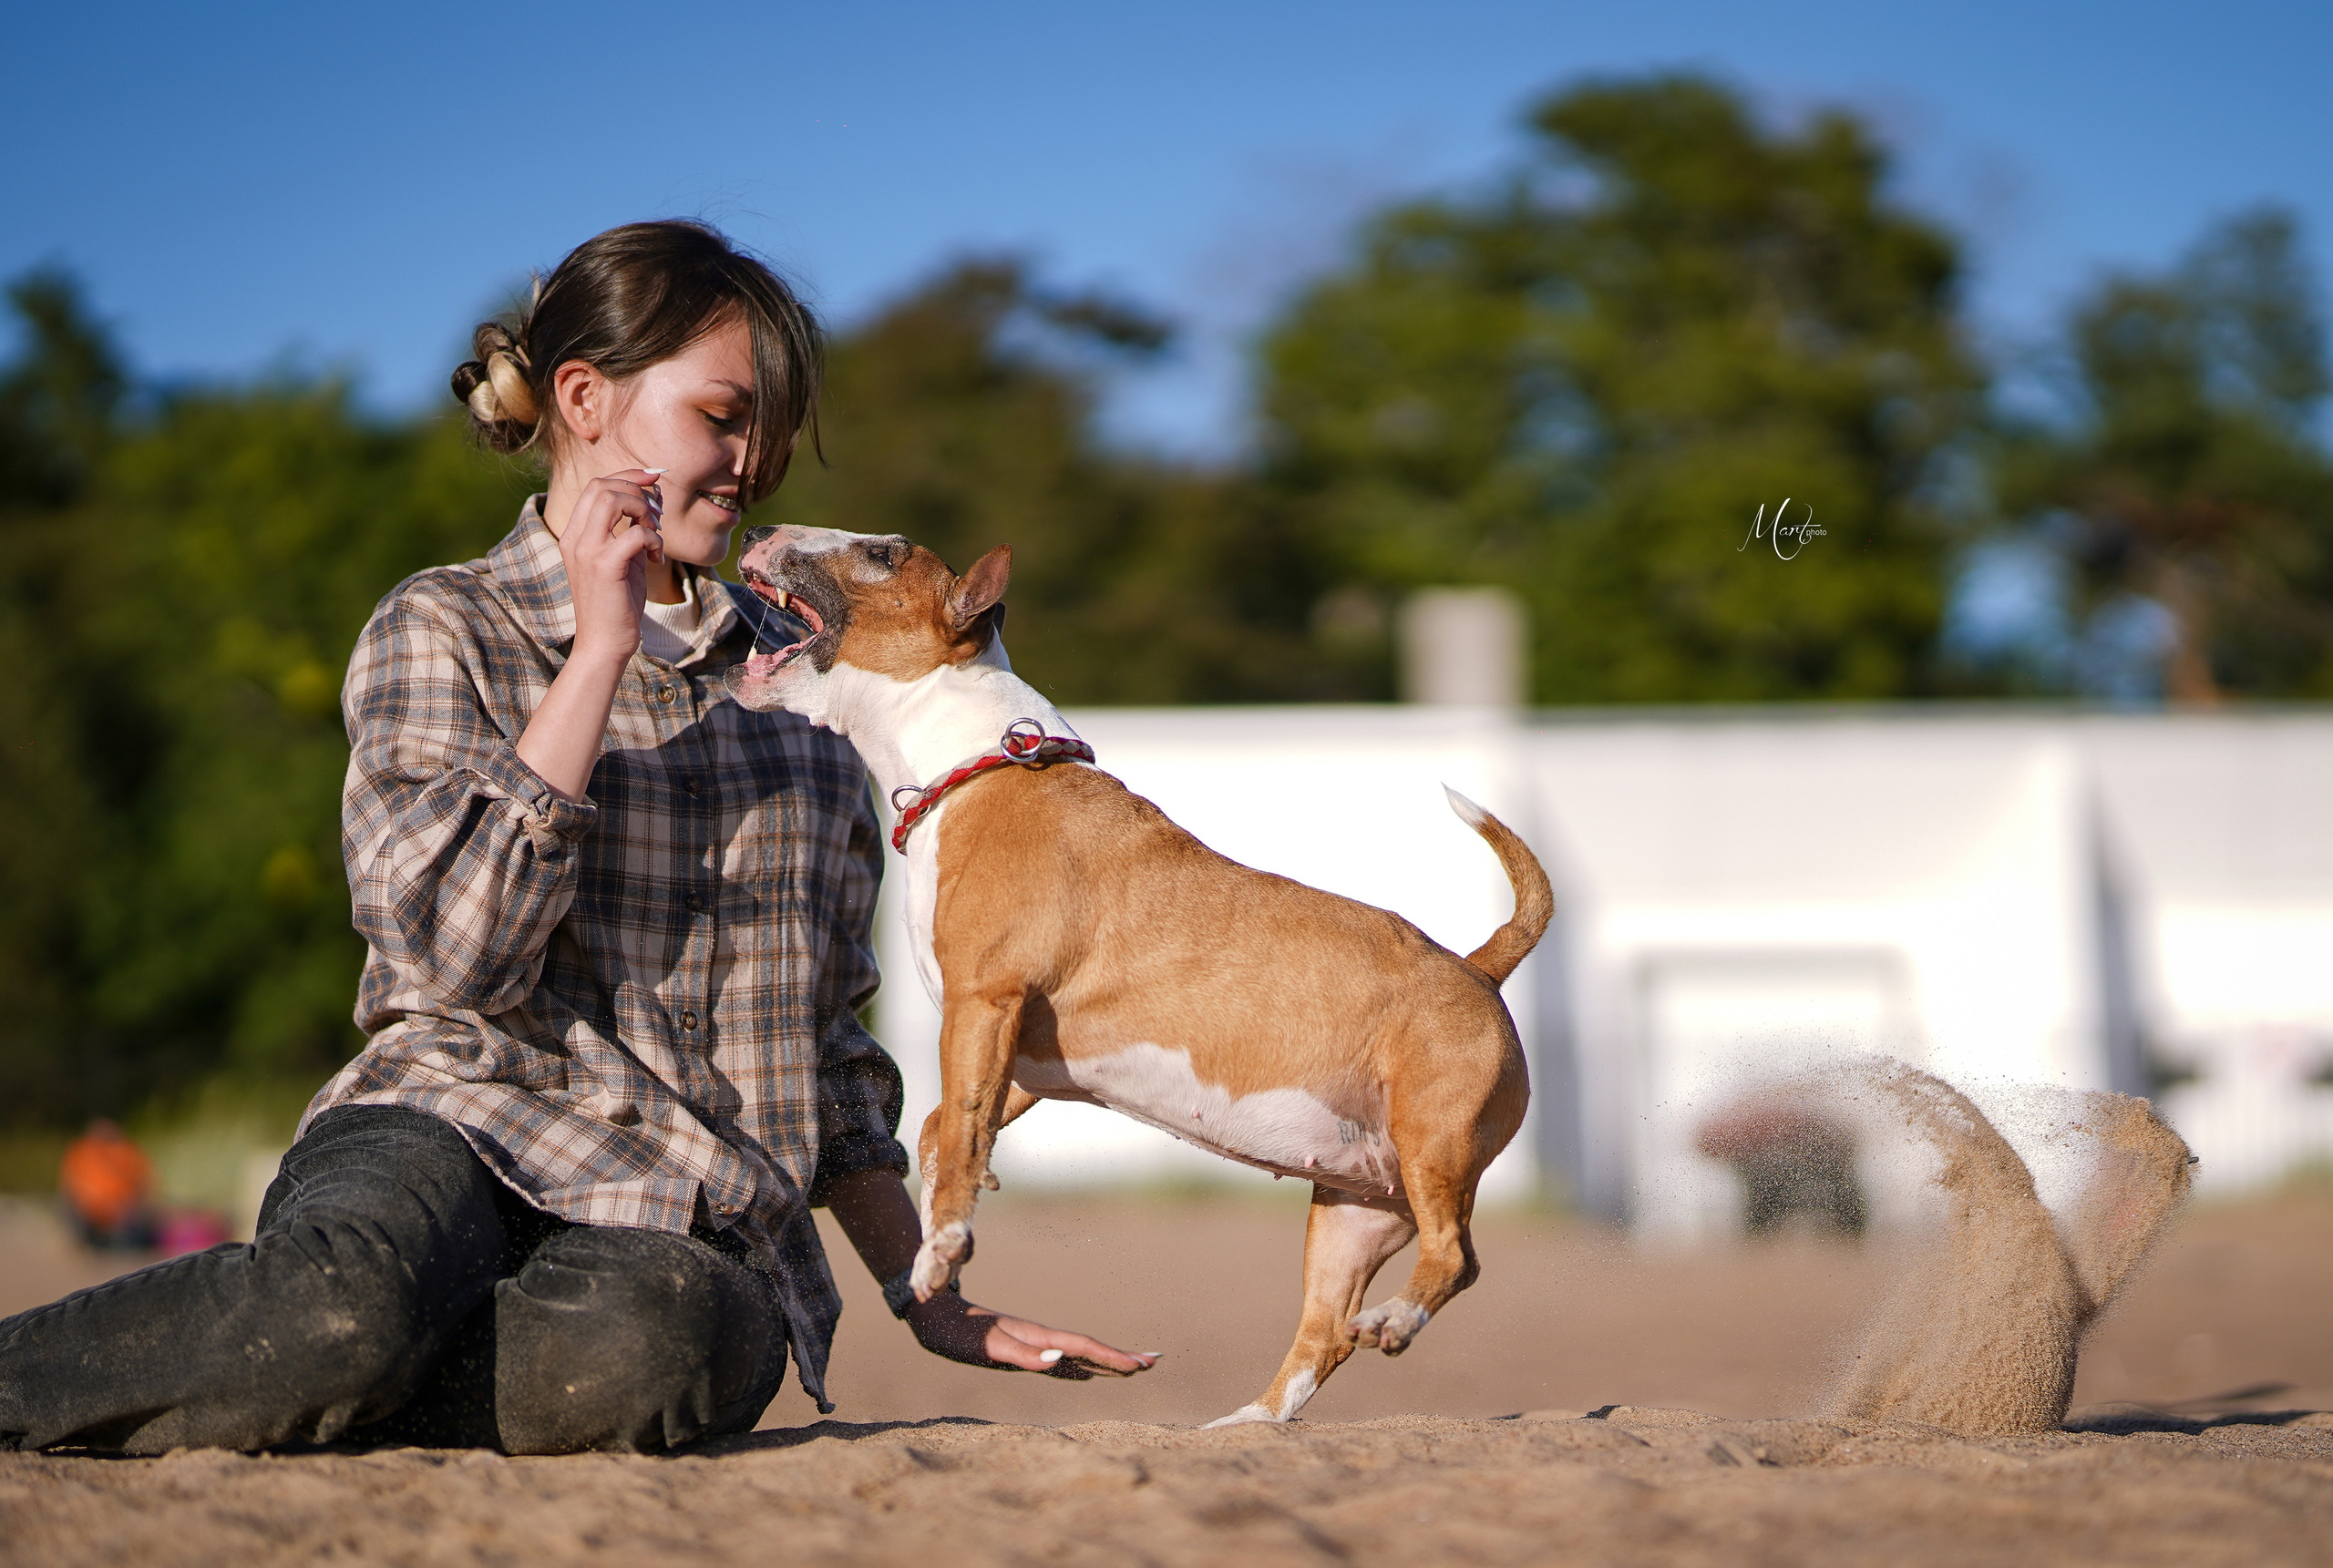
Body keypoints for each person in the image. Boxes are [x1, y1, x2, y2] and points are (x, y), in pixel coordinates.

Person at [0, 220, 1151, 1457]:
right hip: (453, 1125)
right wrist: (597, 653)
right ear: (585, 398)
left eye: (763, 427)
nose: (750, 459)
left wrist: (920, 1287)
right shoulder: (443, 627)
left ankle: (347, 1385)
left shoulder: (808, 709)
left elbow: (830, 1051)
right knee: (345, 1307)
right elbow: (452, 968)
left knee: (670, 1348)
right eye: (722, 415)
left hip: (673, 1222)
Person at [57, 1121, 157, 1252]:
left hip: (122, 1214)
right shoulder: (81, 1152)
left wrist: (126, 1206)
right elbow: (71, 1186)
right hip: (90, 1213)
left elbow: (142, 1183)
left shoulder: (125, 1151)